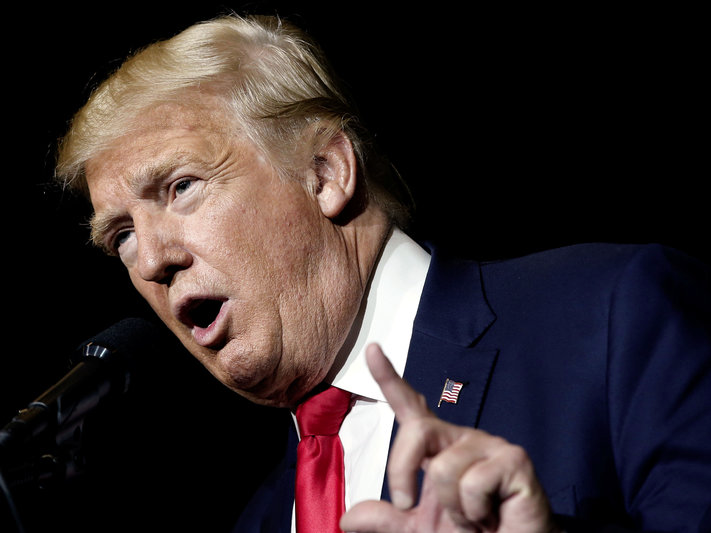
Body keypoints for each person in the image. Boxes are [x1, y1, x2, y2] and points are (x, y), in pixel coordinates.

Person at [54, 13, 710, 533]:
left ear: (326, 173)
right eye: (120, 236)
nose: (153, 257)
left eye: (180, 187)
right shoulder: (257, 518)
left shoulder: (612, 316)